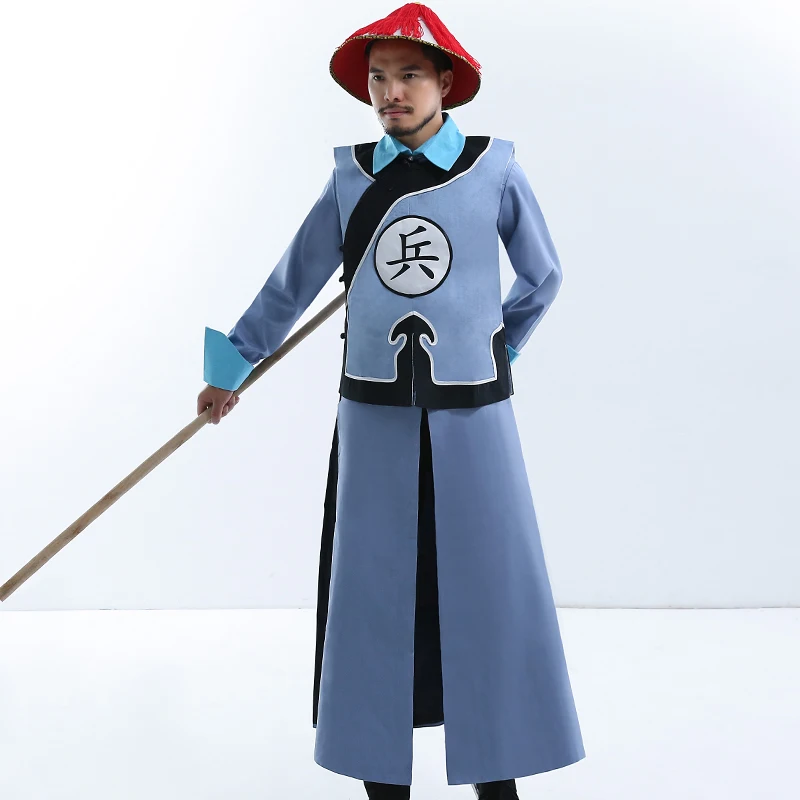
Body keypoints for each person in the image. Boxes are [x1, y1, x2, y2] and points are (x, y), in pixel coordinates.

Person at [197, 3, 585, 798]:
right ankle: (380, 776)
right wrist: (234, 364)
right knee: (374, 590)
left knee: (491, 586)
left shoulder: (494, 169)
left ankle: (498, 776)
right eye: (379, 78)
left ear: (445, 83)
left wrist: (500, 346)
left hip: (475, 412)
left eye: (409, 75)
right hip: (373, 414)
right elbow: (293, 282)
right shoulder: (351, 180)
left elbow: (543, 276)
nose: (391, 92)